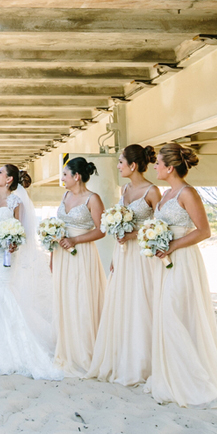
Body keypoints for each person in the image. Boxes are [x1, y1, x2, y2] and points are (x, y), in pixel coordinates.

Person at [144, 143, 217, 408]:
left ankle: (195, 382)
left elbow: (204, 231)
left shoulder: (187, 193)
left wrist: (171, 245)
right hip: (165, 262)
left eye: (158, 163)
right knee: (165, 316)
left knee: (174, 316)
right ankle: (173, 379)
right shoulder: (165, 194)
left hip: (183, 261)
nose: (155, 167)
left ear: (170, 167)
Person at [0, 164, 62, 379]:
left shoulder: (16, 203)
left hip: (4, 256)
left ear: (8, 180)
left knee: (1, 294)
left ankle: (9, 348)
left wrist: (13, 243)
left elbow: (21, 232)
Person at [89, 144, 160, 385]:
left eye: (121, 162)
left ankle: (144, 362)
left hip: (141, 256)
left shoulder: (152, 191)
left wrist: (132, 234)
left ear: (133, 165)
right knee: (122, 301)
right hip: (123, 254)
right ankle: (123, 357)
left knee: (141, 302)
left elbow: (159, 230)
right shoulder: (126, 189)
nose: (118, 166)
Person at [53, 157, 106, 377]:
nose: (62, 178)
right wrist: (52, 252)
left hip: (82, 254)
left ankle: (85, 352)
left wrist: (75, 240)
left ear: (76, 176)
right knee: (65, 300)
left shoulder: (93, 199)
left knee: (82, 300)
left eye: (65, 175)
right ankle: (68, 351)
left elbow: (101, 230)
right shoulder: (65, 195)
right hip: (61, 255)